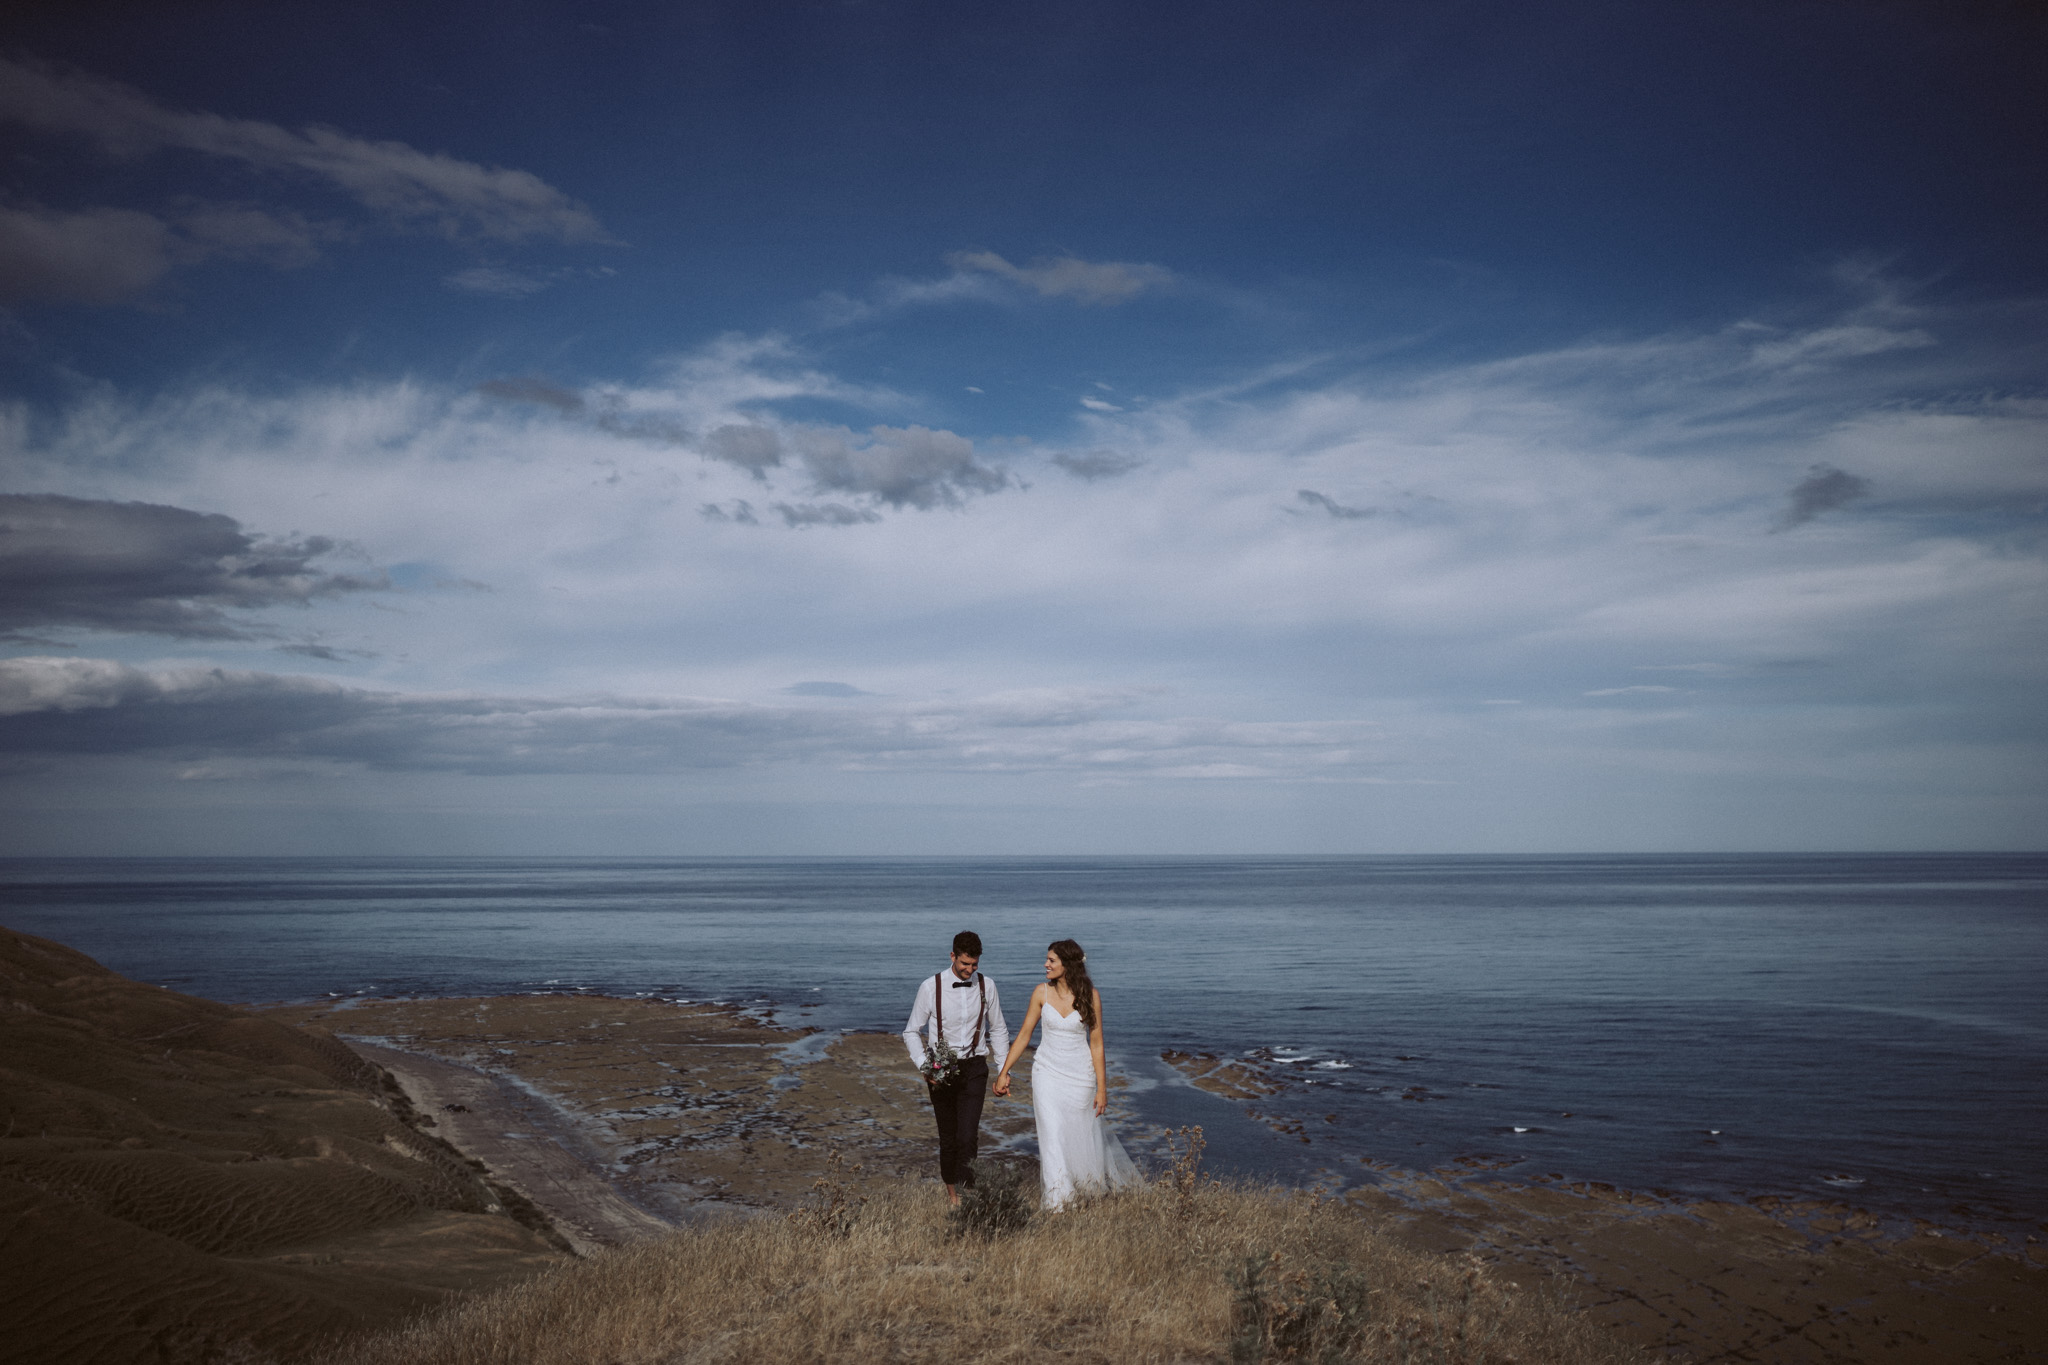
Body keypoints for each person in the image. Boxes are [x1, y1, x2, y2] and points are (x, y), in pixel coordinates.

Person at [993, 938, 1139, 1209]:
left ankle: (1086, 1190)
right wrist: (1004, 1072)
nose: (1045, 964)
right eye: (1047, 959)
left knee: (1082, 1135)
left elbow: (1096, 1044)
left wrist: (1102, 1089)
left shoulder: (1090, 996)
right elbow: (1024, 1035)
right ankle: (1058, 1202)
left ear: (1067, 965)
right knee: (1052, 1134)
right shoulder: (1040, 993)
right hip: (1046, 1073)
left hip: (1080, 1077)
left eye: (1051, 961)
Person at [902, 930, 1010, 1206]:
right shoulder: (930, 987)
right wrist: (926, 1066)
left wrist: (1003, 1069)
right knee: (949, 1137)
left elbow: (998, 1029)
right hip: (941, 1069)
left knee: (968, 1136)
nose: (969, 970)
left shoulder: (988, 986)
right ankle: (954, 1198)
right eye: (964, 963)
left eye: (974, 964)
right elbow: (911, 1031)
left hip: (975, 1067)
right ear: (952, 956)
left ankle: (968, 1193)